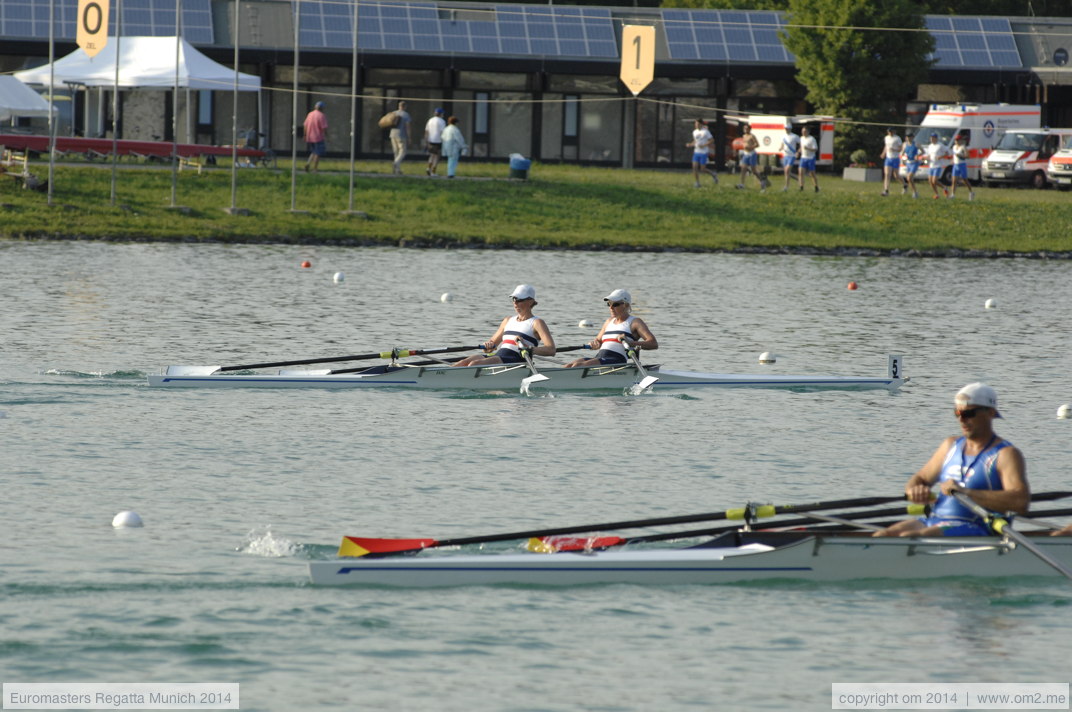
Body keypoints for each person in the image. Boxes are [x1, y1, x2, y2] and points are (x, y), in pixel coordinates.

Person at [875, 383, 1028, 537]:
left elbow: (1020, 502)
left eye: (969, 414)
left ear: (990, 412)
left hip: (975, 526)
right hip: (934, 520)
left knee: (912, 537)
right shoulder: (950, 446)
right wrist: (914, 490)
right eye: (957, 413)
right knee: (883, 535)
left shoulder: (1005, 454)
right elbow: (920, 478)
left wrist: (965, 492)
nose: (961, 419)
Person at [452, 285, 556, 367]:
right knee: (463, 363)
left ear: (530, 301)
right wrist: (488, 346)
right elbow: (490, 348)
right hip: (499, 355)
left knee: (474, 364)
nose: (515, 303)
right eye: (514, 299)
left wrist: (529, 348)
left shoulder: (537, 322)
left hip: (517, 360)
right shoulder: (508, 320)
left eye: (519, 300)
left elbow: (551, 350)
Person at [564, 289, 658, 368]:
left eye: (615, 304)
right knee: (568, 366)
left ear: (626, 305)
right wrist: (595, 343)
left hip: (617, 361)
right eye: (609, 304)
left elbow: (653, 343)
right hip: (600, 358)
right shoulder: (608, 322)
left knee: (578, 366)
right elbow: (598, 341)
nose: (611, 307)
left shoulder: (635, 322)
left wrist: (631, 343)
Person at [735, 124, 767, 192]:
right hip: (746, 153)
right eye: (744, 128)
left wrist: (750, 147)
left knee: (754, 171)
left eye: (747, 128)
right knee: (743, 169)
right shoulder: (744, 136)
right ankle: (742, 184)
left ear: (749, 129)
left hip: (752, 154)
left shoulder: (752, 136)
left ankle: (762, 182)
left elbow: (757, 144)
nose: (745, 130)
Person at [686, 119, 717, 188]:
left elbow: (711, 140)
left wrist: (704, 145)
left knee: (702, 169)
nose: (696, 125)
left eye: (697, 124)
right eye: (695, 124)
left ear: (701, 124)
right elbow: (695, 141)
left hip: (704, 152)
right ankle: (697, 183)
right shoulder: (694, 132)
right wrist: (690, 144)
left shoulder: (705, 132)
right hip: (696, 152)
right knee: (694, 167)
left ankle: (713, 174)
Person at [302, 101, 328, 173]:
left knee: (313, 152)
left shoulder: (310, 114)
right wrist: (327, 136)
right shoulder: (321, 115)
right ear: (322, 108)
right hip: (318, 137)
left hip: (309, 137)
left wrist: (305, 135)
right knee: (317, 153)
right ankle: (315, 169)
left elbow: (305, 125)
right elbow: (324, 128)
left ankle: (307, 164)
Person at [924, 132, 950, 200]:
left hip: (938, 165)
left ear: (936, 138)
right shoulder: (930, 146)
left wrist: (941, 157)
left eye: (933, 138)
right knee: (930, 181)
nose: (932, 139)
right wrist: (927, 158)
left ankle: (944, 187)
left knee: (934, 181)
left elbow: (947, 153)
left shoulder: (940, 145)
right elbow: (929, 155)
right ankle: (936, 194)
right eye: (931, 138)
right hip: (931, 165)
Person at [949, 134, 975, 201]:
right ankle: (953, 194)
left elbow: (968, 156)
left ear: (960, 140)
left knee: (965, 180)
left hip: (962, 164)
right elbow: (954, 155)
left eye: (958, 140)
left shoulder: (963, 147)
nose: (957, 141)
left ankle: (971, 192)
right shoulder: (954, 147)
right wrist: (953, 160)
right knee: (954, 180)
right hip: (956, 164)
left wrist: (961, 156)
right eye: (956, 140)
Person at [389, 100, 411, 175]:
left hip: (392, 134)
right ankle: (396, 163)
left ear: (399, 106)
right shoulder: (406, 115)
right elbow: (407, 127)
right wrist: (409, 137)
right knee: (403, 152)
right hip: (401, 135)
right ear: (405, 107)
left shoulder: (394, 113)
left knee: (396, 152)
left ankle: (397, 170)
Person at [880, 127, 902, 196]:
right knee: (887, 174)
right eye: (889, 132)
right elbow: (886, 146)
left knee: (896, 176)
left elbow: (900, 149)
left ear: (894, 132)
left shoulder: (897, 138)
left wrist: (894, 149)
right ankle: (886, 190)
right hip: (888, 158)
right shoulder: (886, 138)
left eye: (891, 131)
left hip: (895, 158)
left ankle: (904, 184)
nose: (890, 133)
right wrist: (883, 153)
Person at [425, 107, 446, 176]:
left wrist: (426, 140)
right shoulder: (442, 121)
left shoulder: (430, 120)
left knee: (431, 155)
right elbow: (442, 132)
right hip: (438, 140)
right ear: (441, 114)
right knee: (436, 156)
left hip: (430, 140)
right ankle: (433, 171)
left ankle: (428, 168)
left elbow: (426, 131)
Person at [797, 126, 819, 192]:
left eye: (805, 131)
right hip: (803, 157)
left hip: (811, 158)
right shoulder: (801, 138)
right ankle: (801, 187)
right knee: (800, 172)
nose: (803, 132)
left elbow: (815, 149)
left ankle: (816, 186)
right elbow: (801, 147)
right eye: (802, 131)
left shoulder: (812, 139)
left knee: (812, 173)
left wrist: (808, 148)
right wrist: (798, 152)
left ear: (808, 132)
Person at [899, 132, 920, 198]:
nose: (908, 138)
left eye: (910, 137)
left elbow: (923, 151)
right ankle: (915, 192)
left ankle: (915, 192)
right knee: (910, 179)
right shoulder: (905, 144)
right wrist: (904, 158)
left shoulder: (916, 144)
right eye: (907, 137)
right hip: (908, 163)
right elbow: (902, 153)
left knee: (909, 177)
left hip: (914, 163)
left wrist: (917, 155)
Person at [779, 123, 800, 192]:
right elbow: (782, 144)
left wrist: (798, 152)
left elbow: (801, 144)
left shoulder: (794, 136)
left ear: (790, 129)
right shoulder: (783, 136)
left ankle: (786, 186)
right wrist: (781, 148)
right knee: (786, 172)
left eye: (787, 128)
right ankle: (796, 179)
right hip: (785, 155)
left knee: (787, 170)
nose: (786, 129)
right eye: (785, 128)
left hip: (792, 155)